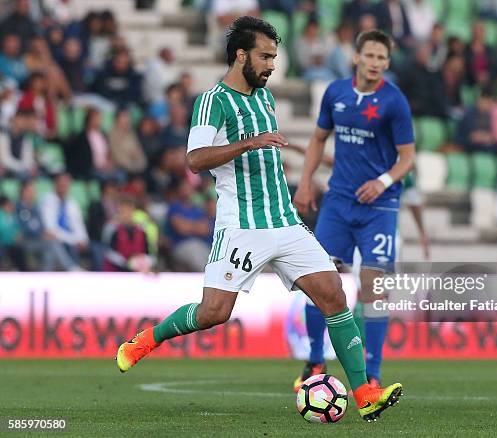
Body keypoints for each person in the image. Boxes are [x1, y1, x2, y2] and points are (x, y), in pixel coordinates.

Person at [115, 16, 403, 422]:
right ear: (241, 54)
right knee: (214, 312)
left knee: (334, 295)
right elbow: (195, 160)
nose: (271, 65)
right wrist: (249, 142)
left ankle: (364, 394)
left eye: (274, 57)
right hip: (242, 227)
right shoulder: (213, 100)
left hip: (283, 219)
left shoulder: (266, 98)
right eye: (266, 57)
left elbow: (266, 154)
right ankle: (147, 339)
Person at [293, 30, 414, 390]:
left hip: (380, 206)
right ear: (356, 57)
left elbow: (407, 157)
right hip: (339, 202)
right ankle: (315, 361)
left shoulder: (394, 102)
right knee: (320, 282)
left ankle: (372, 373)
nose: (376, 63)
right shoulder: (336, 93)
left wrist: (383, 181)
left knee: (373, 286)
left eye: (382, 58)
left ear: (387, 63)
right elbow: (318, 139)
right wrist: (304, 183)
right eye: (370, 56)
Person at [40, 172, 89, 270]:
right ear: (55, 184)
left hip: (69, 239)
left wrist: (83, 240)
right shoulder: (47, 200)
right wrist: (73, 240)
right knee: (52, 241)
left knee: (95, 247)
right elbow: (50, 229)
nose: (64, 186)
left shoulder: (72, 203)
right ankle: (71, 269)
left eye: (66, 183)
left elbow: (79, 225)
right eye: (61, 183)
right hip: (50, 239)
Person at [165, 178, 213, 272]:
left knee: (210, 257)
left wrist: (189, 225)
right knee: (197, 256)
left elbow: (206, 229)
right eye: (184, 188)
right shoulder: (175, 206)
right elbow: (182, 229)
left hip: (200, 244)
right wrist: (196, 226)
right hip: (181, 245)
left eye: (189, 188)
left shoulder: (197, 208)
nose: (186, 190)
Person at [102, 195, 153, 272]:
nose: (125, 214)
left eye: (128, 210)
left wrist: (140, 262)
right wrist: (126, 263)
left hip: (137, 271)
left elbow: (148, 252)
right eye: (122, 211)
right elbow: (108, 251)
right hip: (115, 272)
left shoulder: (141, 229)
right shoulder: (111, 228)